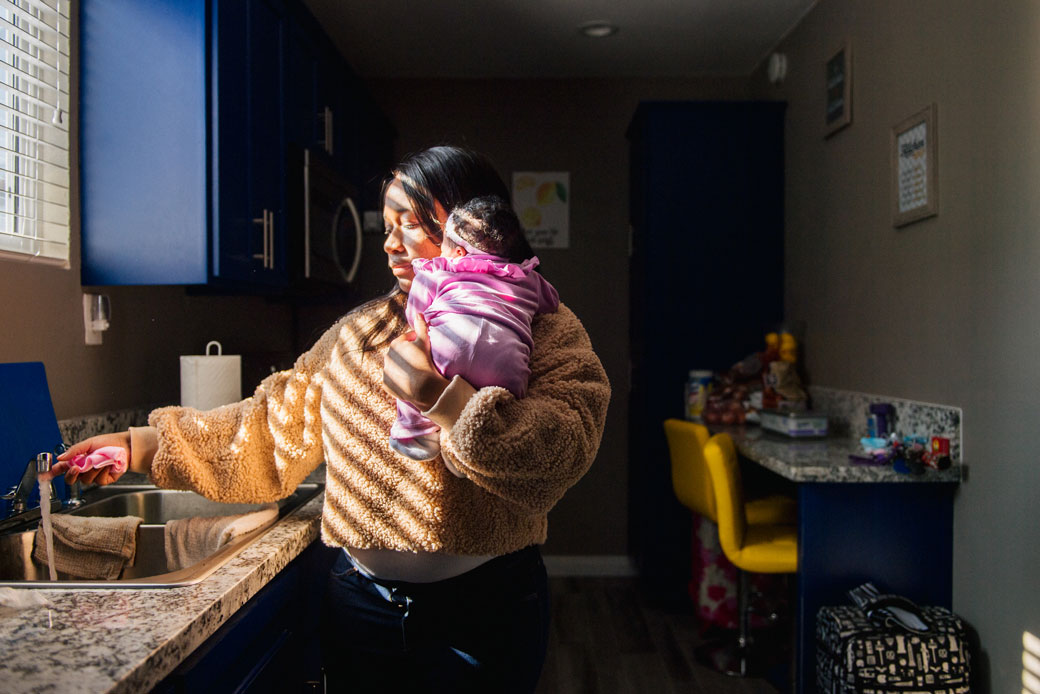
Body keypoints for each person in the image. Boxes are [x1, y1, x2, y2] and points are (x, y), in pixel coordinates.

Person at [53, 145, 611, 693]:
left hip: (486, 611)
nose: (391, 244)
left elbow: (564, 446)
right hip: (360, 608)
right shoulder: (355, 336)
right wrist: (143, 446)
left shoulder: (541, 324)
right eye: (387, 225)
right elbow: (271, 429)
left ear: (470, 225)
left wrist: (440, 400)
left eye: (413, 224)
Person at [389, 194, 560, 462]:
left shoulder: (439, 270)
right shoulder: (527, 278)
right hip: (508, 364)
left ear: (458, 252)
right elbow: (552, 304)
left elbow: (416, 314)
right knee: (497, 410)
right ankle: (462, 454)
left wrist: (417, 330)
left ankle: (415, 431)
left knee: (406, 370)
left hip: (448, 349)